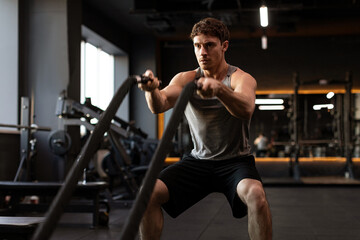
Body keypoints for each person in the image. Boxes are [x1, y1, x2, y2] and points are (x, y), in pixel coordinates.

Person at [137, 17, 272, 240]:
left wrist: (219, 90)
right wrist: (150, 90)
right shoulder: (186, 78)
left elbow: (246, 108)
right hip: (197, 162)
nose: (202, 52)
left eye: (209, 45)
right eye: (197, 46)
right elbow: (159, 105)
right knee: (147, 194)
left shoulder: (241, 78)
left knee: (256, 196)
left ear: (224, 46)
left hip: (235, 161)